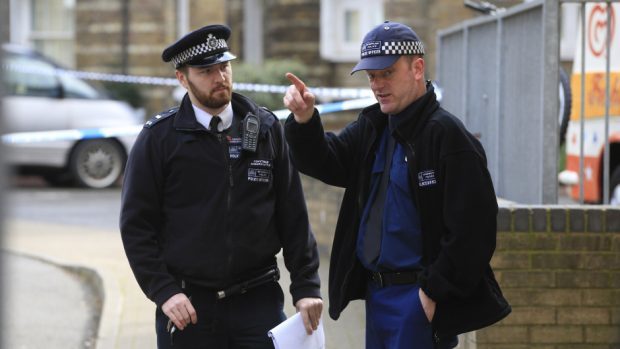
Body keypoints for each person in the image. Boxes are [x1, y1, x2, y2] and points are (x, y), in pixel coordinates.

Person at [283, 21, 511, 349]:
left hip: (418, 299)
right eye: (372, 76)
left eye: (387, 73)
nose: (377, 85)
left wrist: (433, 292)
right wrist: (305, 120)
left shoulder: (447, 136)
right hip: (378, 298)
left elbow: (473, 231)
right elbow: (327, 161)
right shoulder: (374, 126)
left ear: (417, 67)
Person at [120, 24, 323, 349]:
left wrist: (307, 286)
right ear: (182, 79)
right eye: (206, 71)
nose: (220, 77)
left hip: (258, 303)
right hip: (188, 308)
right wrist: (164, 291)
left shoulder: (266, 128)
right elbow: (136, 226)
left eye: (224, 66)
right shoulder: (158, 139)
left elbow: (293, 216)